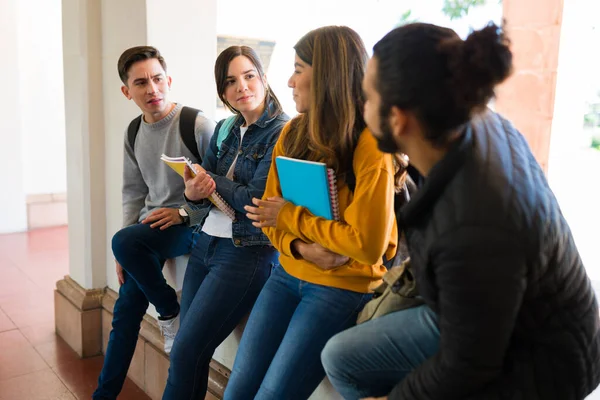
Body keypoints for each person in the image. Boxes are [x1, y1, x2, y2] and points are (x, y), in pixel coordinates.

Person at [320, 22, 600, 400]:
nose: (361, 106)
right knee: (339, 355)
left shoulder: (472, 228)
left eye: (367, 98)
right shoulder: (470, 123)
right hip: (495, 308)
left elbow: (468, 363)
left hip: (542, 358)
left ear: (399, 119)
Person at [223, 26, 402, 400]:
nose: (289, 81)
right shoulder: (293, 133)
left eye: (299, 69)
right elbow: (264, 213)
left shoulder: (371, 145)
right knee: (237, 388)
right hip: (287, 273)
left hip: (342, 289)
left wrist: (292, 217)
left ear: (328, 75)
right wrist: (302, 248)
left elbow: (367, 247)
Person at [161, 45, 289, 399]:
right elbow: (202, 196)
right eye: (231, 81)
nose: (242, 87)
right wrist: (192, 190)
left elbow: (255, 201)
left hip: (246, 254)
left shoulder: (284, 132)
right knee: (188, 354)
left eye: (249, 76)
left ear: (263, 79)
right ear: (222, 92)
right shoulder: (226, 128)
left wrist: (213, 180)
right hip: (206, 243)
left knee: (187, 350)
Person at [93, 46, 215, 400]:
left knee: (126, 245)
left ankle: (167, 309)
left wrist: (182, 213)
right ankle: (103, 395)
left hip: (192, 225)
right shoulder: (133, 132)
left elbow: (220, 189)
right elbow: (133, 191)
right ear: (126, 91)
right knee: (125, 313)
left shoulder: (197, 124)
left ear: (169, 80)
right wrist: (123, 250)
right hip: (148, 231)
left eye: (158, 79)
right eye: (141, 82)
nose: (152, 89)